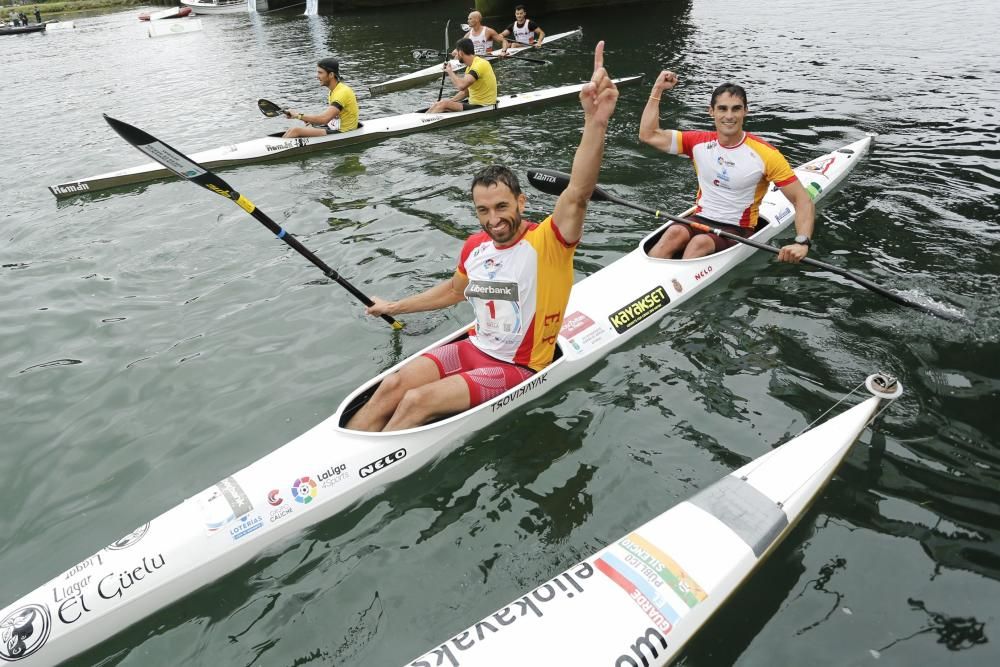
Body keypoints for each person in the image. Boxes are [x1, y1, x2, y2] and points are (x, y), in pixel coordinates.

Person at [347, 41, 619, 432]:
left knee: (416, 401)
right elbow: (453, 292)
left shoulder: (549, 243)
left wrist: (596, 122)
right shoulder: (475, 247)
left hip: (517, 366)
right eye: (484, 211)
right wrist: (394, 307)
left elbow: (577, 191)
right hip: (474, 348)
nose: (494, 220)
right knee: (394, 384)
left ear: (521, 202)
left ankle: (361, 475)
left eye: (502, 207)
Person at [638, 71, 815, 263]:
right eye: (722, 109)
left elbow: (802, 201)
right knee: (673, 232)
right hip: (700, 218)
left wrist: (802, 242)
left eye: (736, 109)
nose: (729, 116)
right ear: (711, 111)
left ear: (745, 111)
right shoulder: (696, 142)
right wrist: (657, 90)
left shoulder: (766, 155)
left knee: (700, 243)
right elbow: (648, 134)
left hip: (738, 229)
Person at [282, 58, 359, 139]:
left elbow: (324, 119)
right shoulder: (334, 90)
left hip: (345, 132)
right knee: (291, 130)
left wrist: (298, 115)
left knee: (295, 131)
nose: (317, 76)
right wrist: (311, 120)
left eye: (320, 73)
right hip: (334, 127)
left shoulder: (342, 92)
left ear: (331, 75)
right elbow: (331, 117)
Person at [425, 38, 497, 114]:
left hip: (484, 106)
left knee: (443, 104)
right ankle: (423, 118)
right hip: (474, 103)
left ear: (461, 53)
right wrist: (450, 101)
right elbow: (465, 92)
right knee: (440, 103)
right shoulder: (470, 67)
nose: (456, 56)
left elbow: (461, 86)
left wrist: (450, 71)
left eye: (457, 52)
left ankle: (423, 123)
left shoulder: (479, 65)